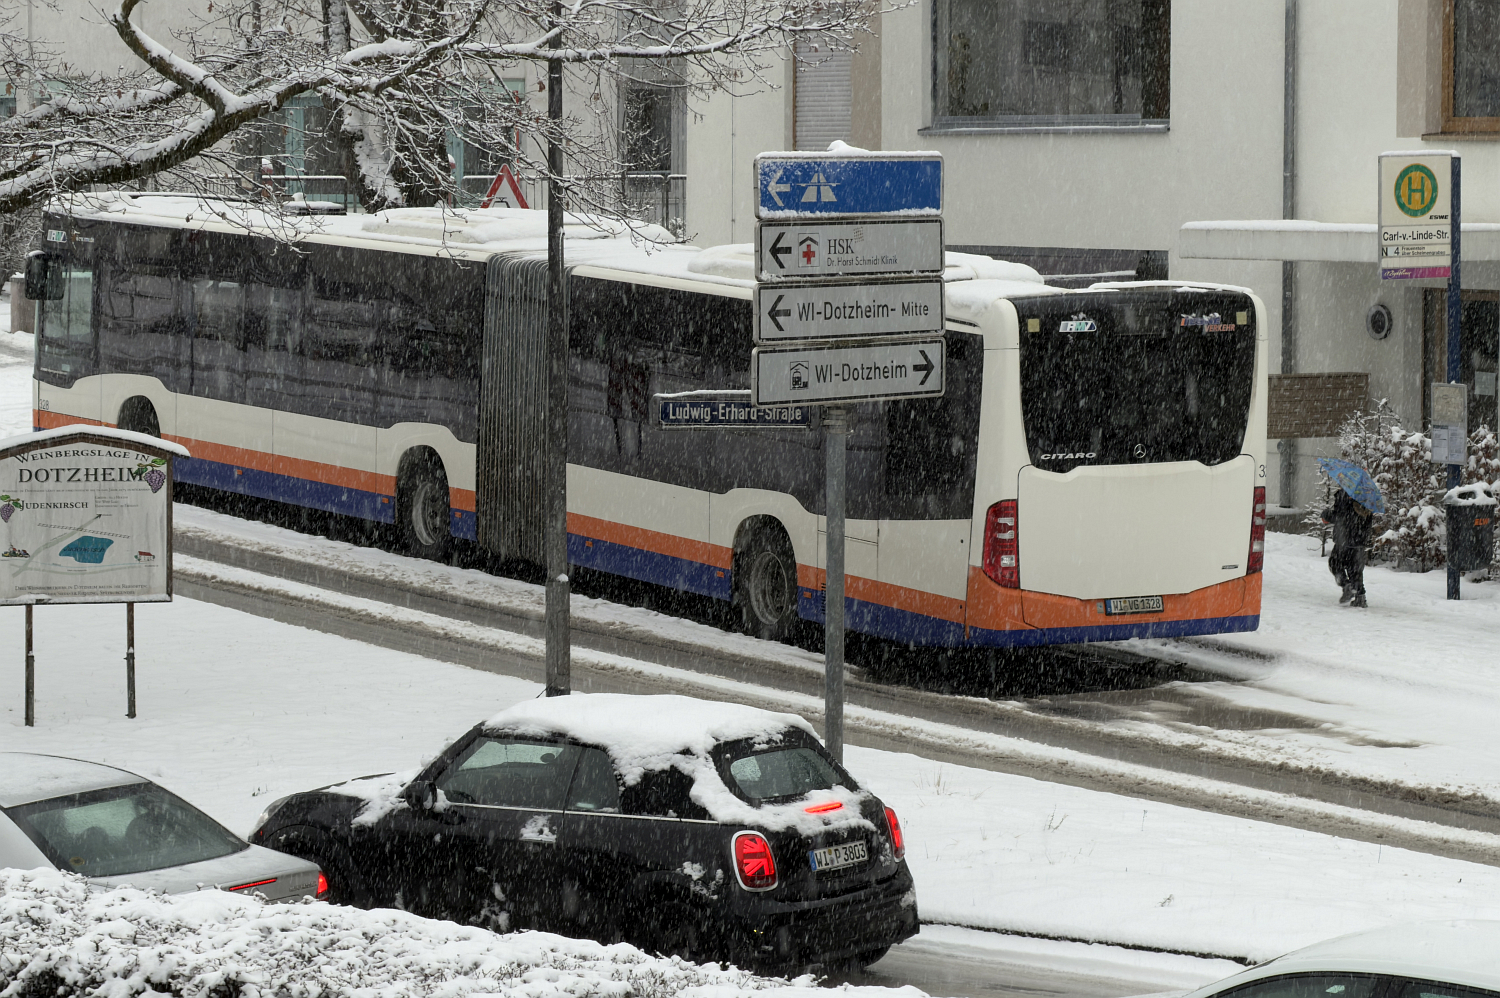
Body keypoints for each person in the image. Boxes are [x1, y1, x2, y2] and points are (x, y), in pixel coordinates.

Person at [1322, 489, 1373, 607]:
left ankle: (1346, 585)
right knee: (1355, 569)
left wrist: (1326, 514)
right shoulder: (1368, 497)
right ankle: (1360, 596)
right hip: (1360, 540)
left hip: (1344, 539)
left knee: (1335, 563)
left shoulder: (1344, 495)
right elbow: (1368, 520)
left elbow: (1339, 517)